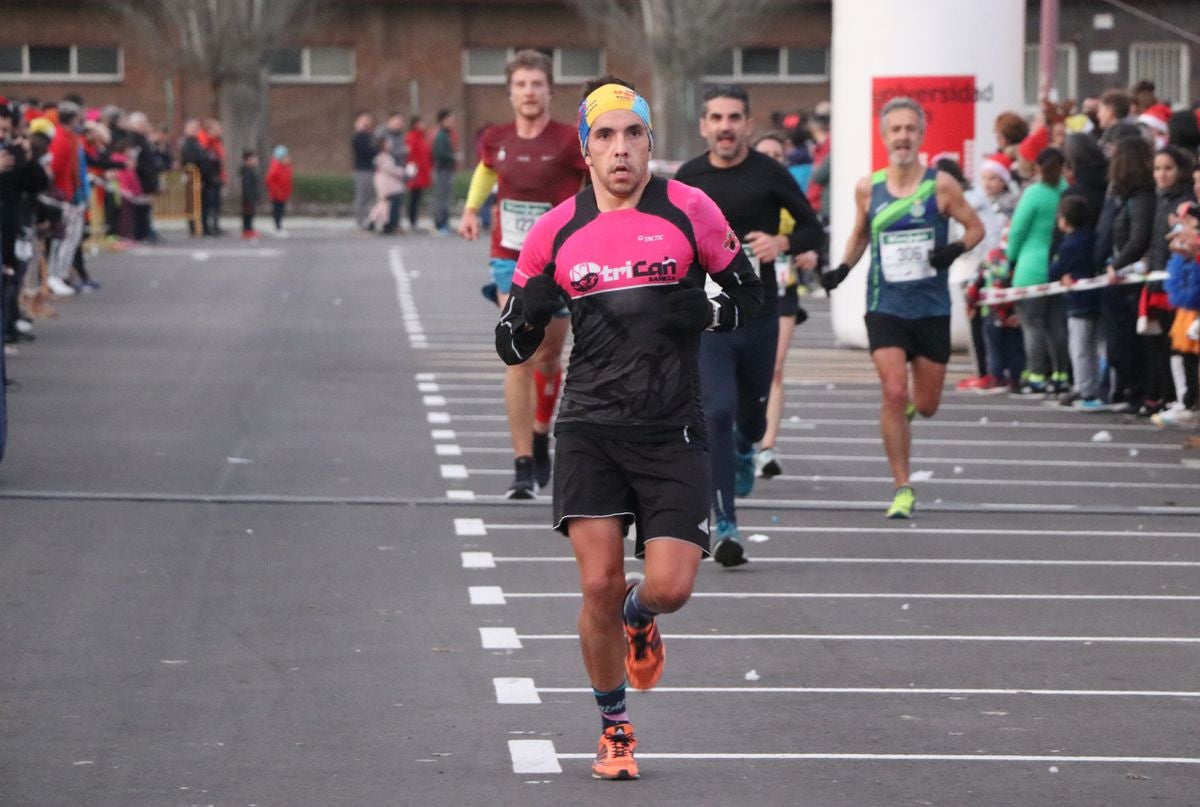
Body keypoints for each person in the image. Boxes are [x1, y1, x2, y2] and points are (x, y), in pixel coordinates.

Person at [495, 77, 763, 781]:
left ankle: (642, 616)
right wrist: (527, 316)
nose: (621, 149)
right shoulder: (557, 229)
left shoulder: (690, 209)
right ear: (585, 151)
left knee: (670, 586)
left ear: (650, 142)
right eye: (605, 137)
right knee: (597, 585)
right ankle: (615, 726)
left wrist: (704, 314)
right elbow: (509, 347)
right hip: (590, 425)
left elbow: (750, 298)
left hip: (673, 423)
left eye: (633, 134)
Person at [674, 84, 823, 565]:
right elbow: (665, 238)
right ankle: (725, 524)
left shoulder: (770, 173)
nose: (724, 127)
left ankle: (746, 446)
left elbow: (812, 228)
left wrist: (781, 241)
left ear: (748, 125)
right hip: (711, 321)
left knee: (751, 420)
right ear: (703, 126)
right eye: (716, 118)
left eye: (734, 117)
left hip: (758, 316)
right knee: (716, 412)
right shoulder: (687, 179)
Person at [822, 96, 983, 518]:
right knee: (893, 391)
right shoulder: (867, 189)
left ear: (921, 134)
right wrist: (840, 269)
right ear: (883, 136)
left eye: (910, 129)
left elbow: (976, 228)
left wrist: (952, 250)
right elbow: (859, 236)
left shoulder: (941, 186)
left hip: (930, 308)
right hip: (885, 305)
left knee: (926, 405)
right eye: (895, 129)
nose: (903, 137)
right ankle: (902, 488)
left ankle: (912, 408)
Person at [458, 49, 588, 498]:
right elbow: (486, 171)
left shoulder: (571, 141)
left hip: (562, 262)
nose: (529, 92)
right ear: (510, 93)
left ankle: (539, 432)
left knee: (549, 359)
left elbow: (601, 182)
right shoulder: (496, 137)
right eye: (521, 85)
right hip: (509, 258)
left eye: (537, 84)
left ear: (549, 90)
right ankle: (521, 463)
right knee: (518, 354)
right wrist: (473, 208)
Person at [747, 131, 816, 481]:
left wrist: (807, 254)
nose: (773, 161)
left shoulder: (788, 194)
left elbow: (811, 232)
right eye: (766, 154)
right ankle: (741, 434)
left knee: (773, 368)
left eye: (779, 155)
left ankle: (768, 447)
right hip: (740, 291)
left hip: (782, 290)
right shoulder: (739, 191)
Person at [1006, 146, 1070, 396]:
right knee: (1057, 323)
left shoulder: (1033, 194)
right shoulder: (1066, 192)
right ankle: (1061, 374)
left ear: (1037, 168)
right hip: (1058, 266)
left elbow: (1018, 231)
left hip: (1030, 267)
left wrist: (1010, 259)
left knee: (1032, 324)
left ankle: (1035, 375)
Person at [1051, 195, 1103, 410]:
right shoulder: (1093, 237)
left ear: (1064, 221)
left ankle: (1084, 389)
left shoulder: (1068, 245)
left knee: (1080, 348)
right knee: (1094, 347)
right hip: (1097, 299)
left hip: (1078, 302)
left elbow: (1054, 270)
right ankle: (1096, 386)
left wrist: (1060, 275)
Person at [431, 109, 458, 235]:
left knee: (446, 198)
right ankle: (439, 224)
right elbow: (439, 153)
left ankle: (444, 222)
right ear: (443, 121)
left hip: (447, 170)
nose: (452, 121)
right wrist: (452, 157)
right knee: (441, 198)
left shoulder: (446, 134)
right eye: (449, 119)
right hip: (442, 170)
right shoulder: (441, 135)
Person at [404, 115, 433, 232]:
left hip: (422, 171)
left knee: (417, 197)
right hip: (415, 171)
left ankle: (414, 220)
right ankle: (412, 221)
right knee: (413, 197)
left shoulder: (421, 138)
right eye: (421, 123)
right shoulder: (411, 137)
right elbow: (410, 155)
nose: (424, 125)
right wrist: (412, 172)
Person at [351, 111, 376, 229]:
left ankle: (368, 219)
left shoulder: (370, 135)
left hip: (371, 169)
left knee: (370, 196)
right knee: (361, 196)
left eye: (368, 119)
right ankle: (360, 220)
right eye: (363, 119)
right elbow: (367, 151)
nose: (366, 122)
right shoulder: (359, 136)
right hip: (362, 170)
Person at [265, 145, 293, 234]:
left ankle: (279, 225)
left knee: (281, 210)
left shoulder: (286, 168)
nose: (288, 159)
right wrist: (277, 192)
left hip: (283, 193)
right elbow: (269, 181)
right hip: (277, 194)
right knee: (277, 211)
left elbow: (287, 181)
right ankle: (277, 226)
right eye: (286, 157)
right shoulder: (275, 168)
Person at [239, 150, 261, 240]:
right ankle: (247, 230)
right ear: (247, 160)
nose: (255, 161)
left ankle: (249, 229)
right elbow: (247, 187)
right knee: (247, 215)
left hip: (251, 197)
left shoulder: (250, 171)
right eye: (253, 159)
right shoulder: (247, 172)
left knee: (250, 214)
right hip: (248, 198)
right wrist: (249, 198)